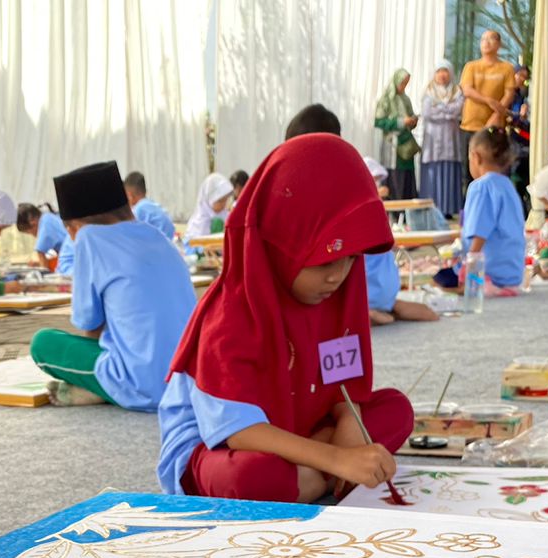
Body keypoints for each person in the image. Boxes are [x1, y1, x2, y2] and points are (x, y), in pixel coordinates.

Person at [156, 134, 412, 502]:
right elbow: (239, 432)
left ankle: (306, 476)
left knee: (396, 410)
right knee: (250, 477)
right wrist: (338, 458)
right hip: (223, 445)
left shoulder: (339, 292)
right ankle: (312, 475)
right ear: (282, 244)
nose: (337, 276)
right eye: (324, 260)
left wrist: (348, 424)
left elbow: (344, 384)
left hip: (301, 427)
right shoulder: (230, 313)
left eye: (352, 258)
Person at [27, 162, 196, 411]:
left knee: (43, 343)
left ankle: (104, 389)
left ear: (74, 226)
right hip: (188, 379)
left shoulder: (89, 238)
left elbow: (90, 326)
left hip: (144, 385)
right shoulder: (156, 235)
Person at [360, 156, 439, 324]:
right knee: (420, 311)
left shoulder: (359, 213)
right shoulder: (375, 211)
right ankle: (385, 310)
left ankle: (373, 314)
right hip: (388, 293)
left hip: (368, 295)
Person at [458, 127, 526, 295]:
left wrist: (469, 267)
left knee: (441, 281)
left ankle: (485, 285)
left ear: (476, 157)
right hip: (512, 273)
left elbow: (480, 233)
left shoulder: (480, 187)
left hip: (490, 273)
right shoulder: (508, 186)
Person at [419, 61, 466, 217]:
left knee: (449, 170)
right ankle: (431, 208)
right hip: (433, 140)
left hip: (451, 138)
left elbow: (457, 109)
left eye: (445, 71)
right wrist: (447, 111)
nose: (442, 75)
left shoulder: (456, 91)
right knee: (433, 170)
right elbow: (427, 112)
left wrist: (439, 109)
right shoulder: (429, 91)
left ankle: (447, 209)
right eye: (439, 71)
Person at [374, 69, 420, 200]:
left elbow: (410, 117)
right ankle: (396, 211)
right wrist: (400, 122)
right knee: (394, 177)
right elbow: (378, 121)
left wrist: (412, 121)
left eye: (406, 83)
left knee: (407, 177)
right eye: (402, 83)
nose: (404, 86)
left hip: (406, 144)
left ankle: (407, 212)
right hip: (392, 144)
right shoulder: (386, 100)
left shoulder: (406, 99)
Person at [461, 30, 517, 135]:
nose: (486, 42)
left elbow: (509, 94)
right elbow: (467, 91)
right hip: (471, 123)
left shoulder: (507, 68)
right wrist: (489, 101)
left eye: (491, 38)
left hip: (495, 123)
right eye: (483, 39)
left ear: (499, 44)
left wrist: (496, 115)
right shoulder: (471, 66)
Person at [123, 171, 177, 239]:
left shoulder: (138, 209)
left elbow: (128, 232)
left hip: (157, 245)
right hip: (169, 242)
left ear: (129, 195)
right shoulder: (153, 205)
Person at [186, 172, 235, 240]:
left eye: (225, 200)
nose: (223, 204)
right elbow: (193, 242)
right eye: (220, 201)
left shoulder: (226, 215)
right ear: (209, 200)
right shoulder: (199, 221)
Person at [16, 202, 67, 266]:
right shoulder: (50, 217)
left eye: (29, 232)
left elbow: (40, 252)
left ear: (32, 222)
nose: (34, 236)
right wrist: (39, 264)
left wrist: (42, 271)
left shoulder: (46, 222)